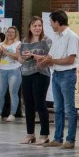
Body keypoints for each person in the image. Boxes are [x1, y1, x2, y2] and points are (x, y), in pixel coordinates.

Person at [39, 11, 79, 149]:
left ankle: (70, 139)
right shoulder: (56, 36)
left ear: (57, 22)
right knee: (58, 108)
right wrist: (41, 60)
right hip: (56, 74)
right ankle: (57, 138)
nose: (50, 25)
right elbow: (50, 55)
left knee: (69, 109)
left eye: (51, 22)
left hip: (67, 75)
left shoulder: (71, 36)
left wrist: (51, 61)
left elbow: (70, 59)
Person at [19, 17, 52, 145]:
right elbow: (21, 60)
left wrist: (33, 56)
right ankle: (30, 134)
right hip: (26, 73)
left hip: (41, 73)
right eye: (35, 25)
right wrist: (22, 57)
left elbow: (49, 58)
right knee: (28, 105)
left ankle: (44, 135)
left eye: (40, 25)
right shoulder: (24, 41)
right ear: (30, 27)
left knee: (40, 103)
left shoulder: (46, 41)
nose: (37, 28)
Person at [0, 27, 22, 122]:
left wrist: (5, 51)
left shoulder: (18, 44)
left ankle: (12, 114)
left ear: (16, 34)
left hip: (14, 70)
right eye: (8, 32)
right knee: (0, 93)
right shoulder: (1, 44)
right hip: (2, 70)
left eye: (13, 32)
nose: (10, 33)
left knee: (13, 92)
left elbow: (17, 57)